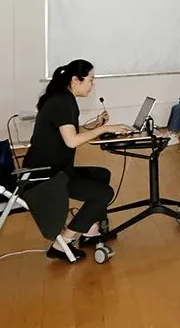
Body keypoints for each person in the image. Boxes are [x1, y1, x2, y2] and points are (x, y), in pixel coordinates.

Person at [23, 60, 134, 262]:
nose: (93, 84)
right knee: (104, 193)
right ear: (76, 79)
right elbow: (72, 141)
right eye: (91, 79)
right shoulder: (62, 102)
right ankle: (62, 243)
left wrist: (95, 125)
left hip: (56, 169)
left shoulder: (62, 98)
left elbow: (68, 132)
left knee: (102, 175)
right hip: (46, 175)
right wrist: (105, 128)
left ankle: (90, 231)